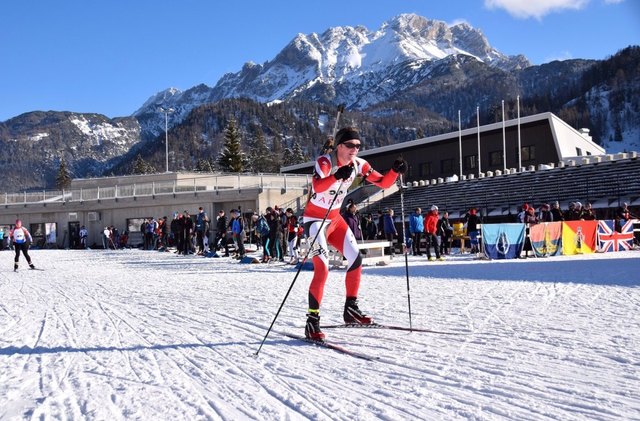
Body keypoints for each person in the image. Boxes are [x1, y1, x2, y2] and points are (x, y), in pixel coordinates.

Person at [302, 126, 406, 341]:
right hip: (315, 221)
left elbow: (383, 182)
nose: (355, 149)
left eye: (358, 145)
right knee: (322, 269)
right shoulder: (325, 162)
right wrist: (337, 176)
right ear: (339, 146)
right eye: (350, 145)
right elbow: (318, 187)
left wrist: (395, 171)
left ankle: (351, 309)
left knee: (356, 259)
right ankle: (312, 322)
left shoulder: (360, 165)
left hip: (334, 219)